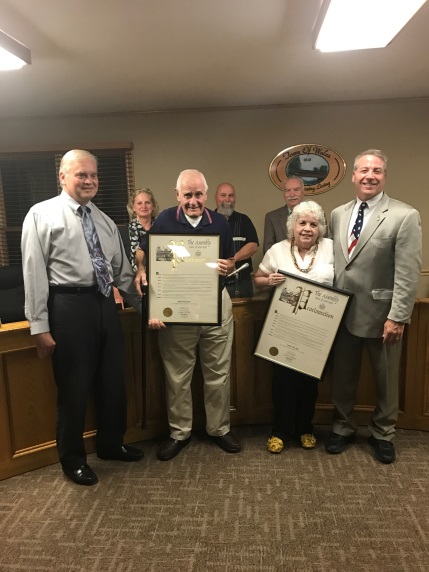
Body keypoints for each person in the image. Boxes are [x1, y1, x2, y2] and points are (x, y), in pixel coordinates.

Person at [21, 149, 144, 486]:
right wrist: (39, 325)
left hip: (105, 305)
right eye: (81, 174)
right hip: (68, 307)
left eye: (93, 175)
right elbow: (33, 273)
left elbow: (121, 275)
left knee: (113, 381)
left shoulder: (104, 220)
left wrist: (148, 308)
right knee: (74, 388)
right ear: (62, 177)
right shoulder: (41, 214)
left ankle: (110, 443)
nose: (89, 180)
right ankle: (72, 458)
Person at [135, 169, 241, 461]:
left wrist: (227, 266)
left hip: (214, 303)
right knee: (177, 374)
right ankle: (179, 432)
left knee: (218, 372)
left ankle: (219, 429)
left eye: (198, 195)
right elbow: (144, 252)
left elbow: (231, 261)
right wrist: (141, 269)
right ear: (177, 194)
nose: (193, 201)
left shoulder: (220, 221)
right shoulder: (165, 219)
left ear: (206, 195)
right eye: (187, 195)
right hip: (177, 305)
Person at [325, 149, 422, 464]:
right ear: (353, 175)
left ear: (384, 177)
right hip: (341, 314)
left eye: (377, 170)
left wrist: (398, 316)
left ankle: (383, 433)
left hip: (383, 316)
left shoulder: (404, 215)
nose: (369, 175)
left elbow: (408, 272)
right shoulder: (338, 214)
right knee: (343, 376)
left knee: (386, 379)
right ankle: (343, 427)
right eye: (364, 170)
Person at [255, 201, 333, 453]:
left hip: (317, 330)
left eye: (313, 224)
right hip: (284, 328)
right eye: (302, 223)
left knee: (309, 383)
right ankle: (281, 431)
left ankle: (305, 429)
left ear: (320, 228)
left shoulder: (331, 249)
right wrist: (269, 280)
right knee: (282, 381)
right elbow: (258, 279)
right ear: (293, 226)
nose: (307, 228)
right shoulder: (277, 250)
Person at [114, 188, 159, 307]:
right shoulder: (122, 233)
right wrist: (116, 290)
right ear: (133, 207)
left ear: (153, 206)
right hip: (132, 290)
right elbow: (116, 264)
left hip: (160, 286)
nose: (143, 206)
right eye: (139, 203)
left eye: (147, 202)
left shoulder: (162, 230)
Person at [215, 182, 259, 298]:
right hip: (214, 283)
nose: (227, 199)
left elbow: (253, 246)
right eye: (223, 195)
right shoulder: (207, 220)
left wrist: (233, 259)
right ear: (216, 197)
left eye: (231, 195)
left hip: (241, 283)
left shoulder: (244, 220)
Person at [263, 177, 305, 253]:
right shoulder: (272, 217)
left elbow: (322, 246)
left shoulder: (316, 215)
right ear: (283, 194)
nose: (292, 194)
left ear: (303, 192)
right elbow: (268, 250)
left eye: (296, 190)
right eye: (288, 190)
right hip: (281, 264)